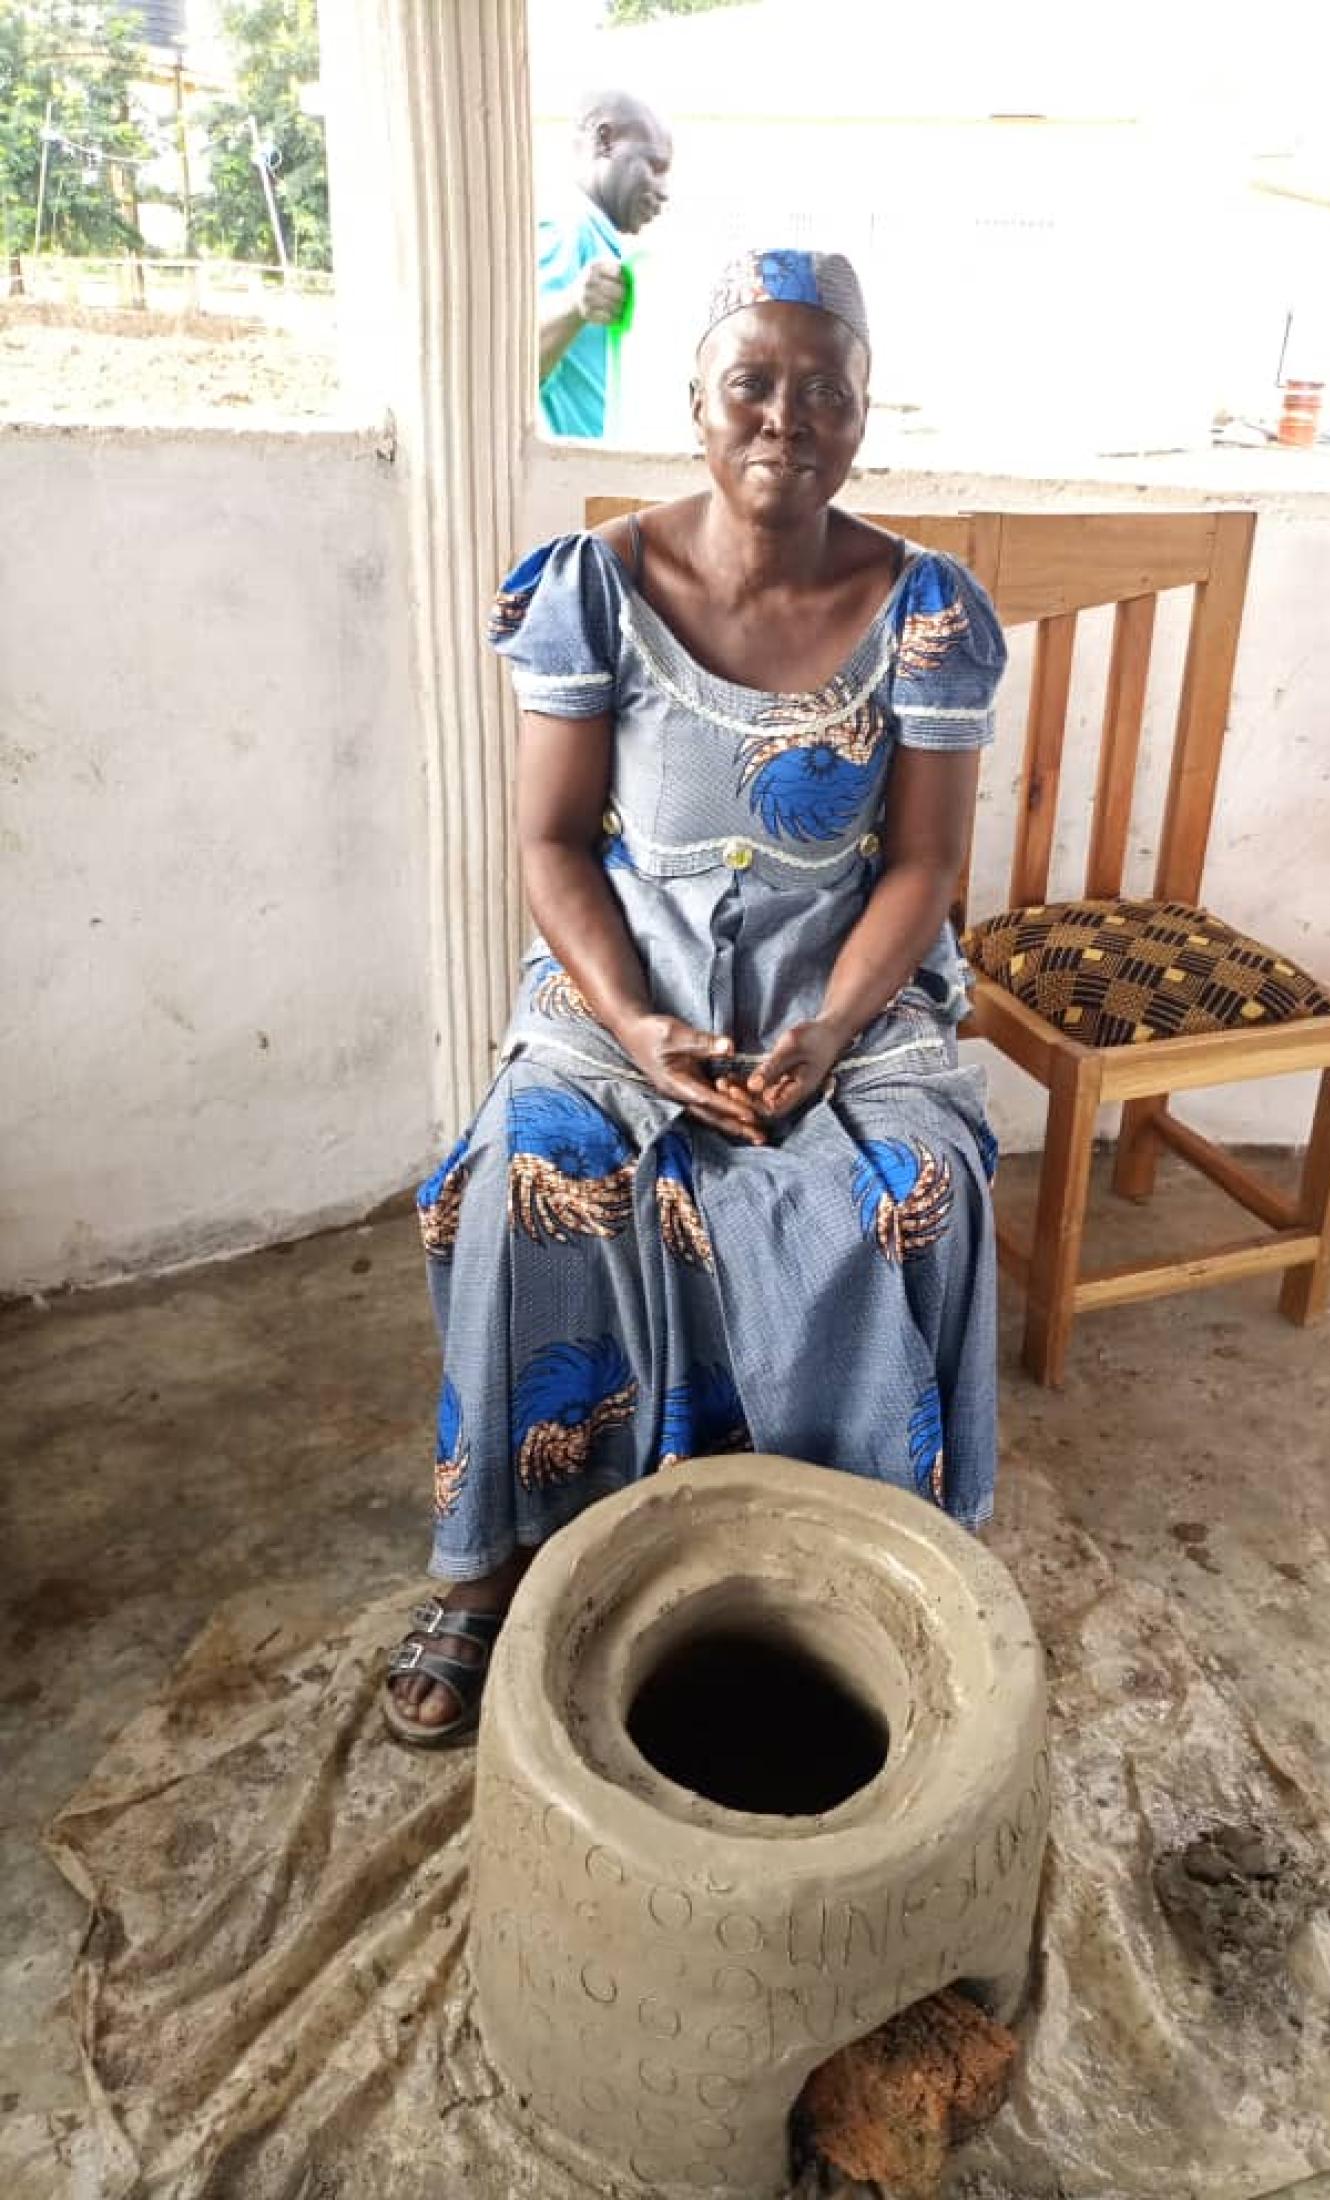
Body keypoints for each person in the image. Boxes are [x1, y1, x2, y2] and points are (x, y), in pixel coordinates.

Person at [386, 247, 1008, 1747]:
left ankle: (853, 1568)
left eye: (823, 393)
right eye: (752, 384)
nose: (784, 421)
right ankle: (489, 1562)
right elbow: (546, 842)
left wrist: (825, 1034)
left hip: (839, 989)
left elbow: (921, 866)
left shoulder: (924, 610)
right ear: (693, 402)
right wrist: (639, 1027)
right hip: (628, 982)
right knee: (538, 1160)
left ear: (863, 419)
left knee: (909, 1181)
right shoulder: (590, 587)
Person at [536, 89, 673, 439]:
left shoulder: (599, 238)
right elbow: (512, 369)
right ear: (605, 141)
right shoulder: (570, 228)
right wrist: (574, 304)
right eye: (654, 167)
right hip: (579, 481)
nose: (664, 190)